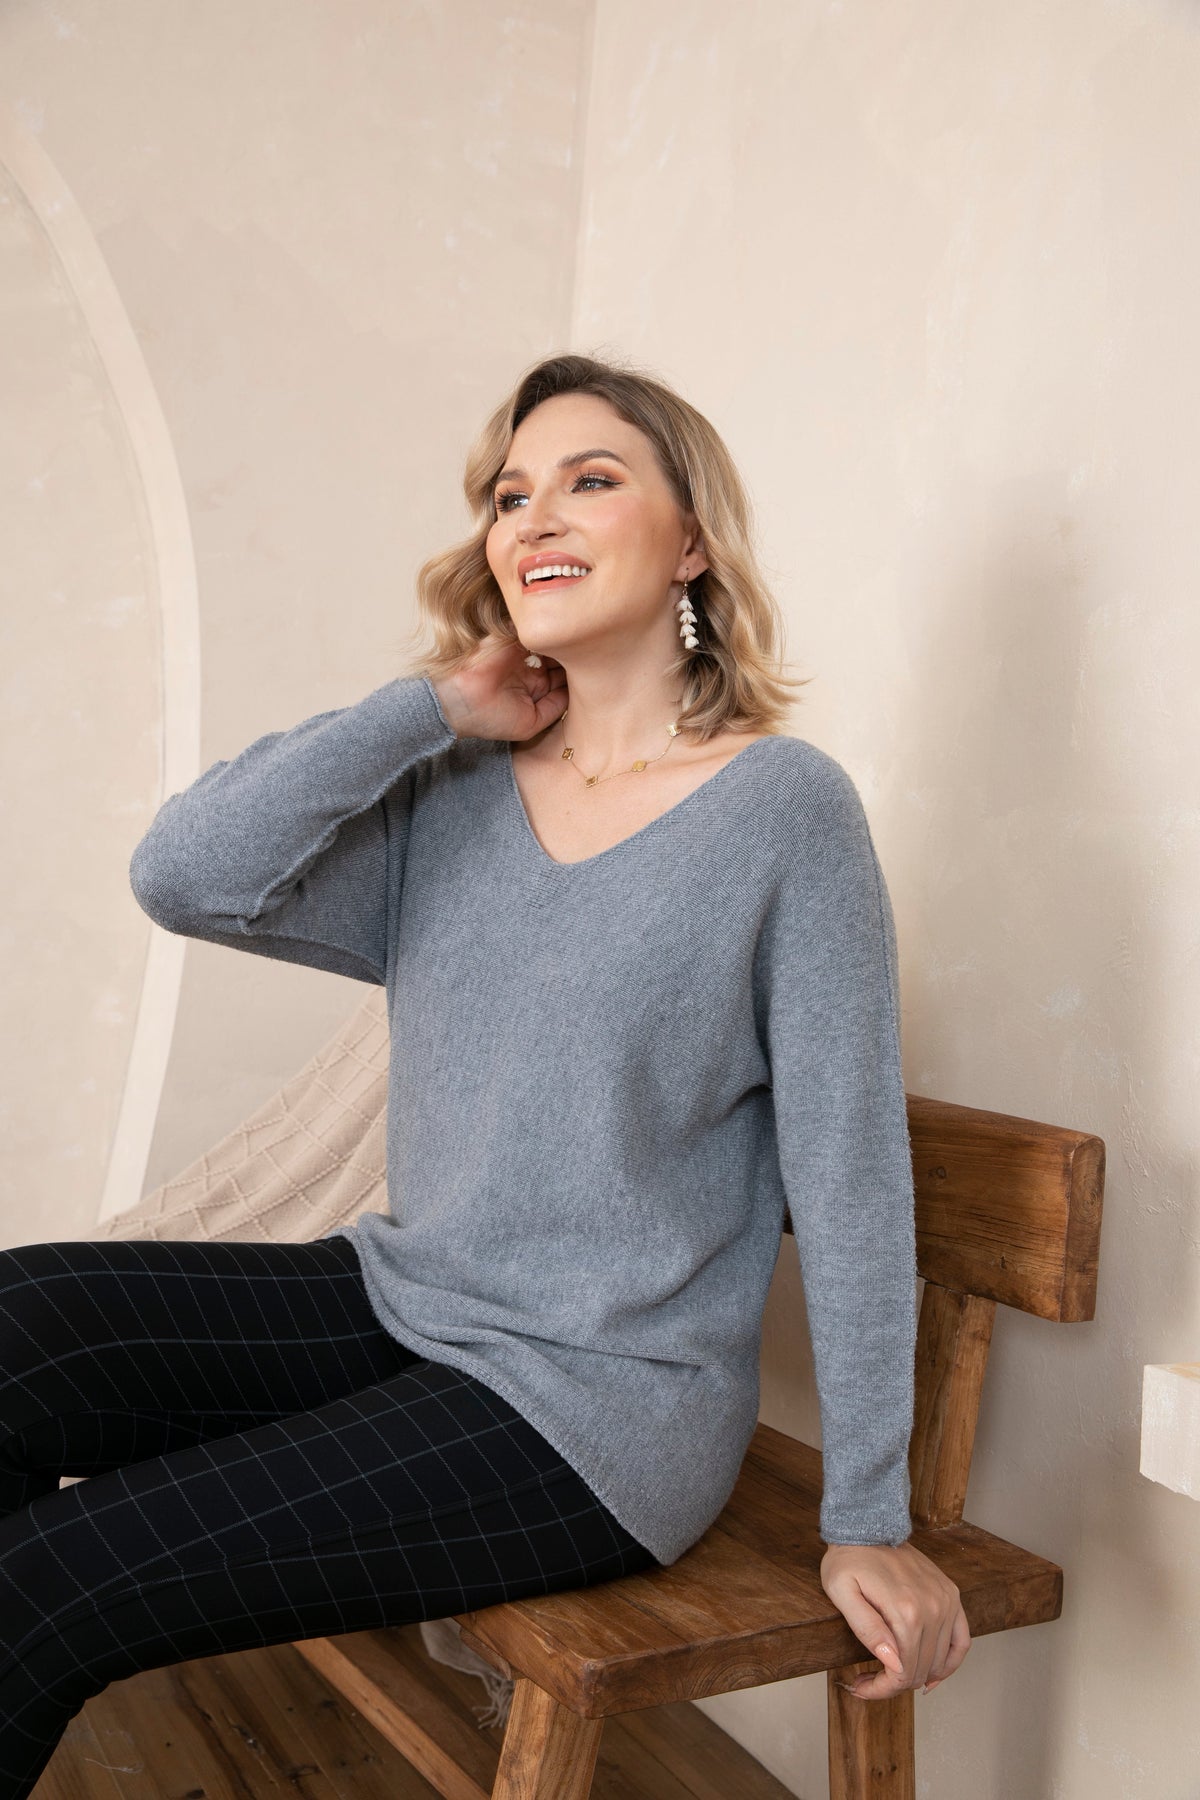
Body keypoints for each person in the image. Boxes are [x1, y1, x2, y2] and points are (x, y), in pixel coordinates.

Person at [0, 351, 968, 1794]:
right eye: (512, 496)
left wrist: (872, 1514)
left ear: (691, 540)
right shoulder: (452, 795)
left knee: (49, 1583)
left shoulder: (783, 813)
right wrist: (431, 709)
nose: (536, 518)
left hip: (599, 1402)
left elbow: (849, 1174)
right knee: (16, 1327)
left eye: (592, 480)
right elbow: (183, 875)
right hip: (407, 1296)